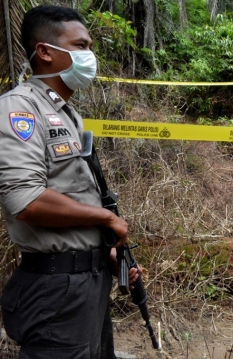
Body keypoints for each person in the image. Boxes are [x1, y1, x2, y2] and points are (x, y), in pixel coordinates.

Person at [0, 5, 137, 359]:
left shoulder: (68, 114)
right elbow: (25, 199)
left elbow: (71, 195)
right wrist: (106, 220)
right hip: (55, 291)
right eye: (80, 46)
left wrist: (102, 251)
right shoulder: (19, 109)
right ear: (45, 52)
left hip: (85, 285)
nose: (89, 55)